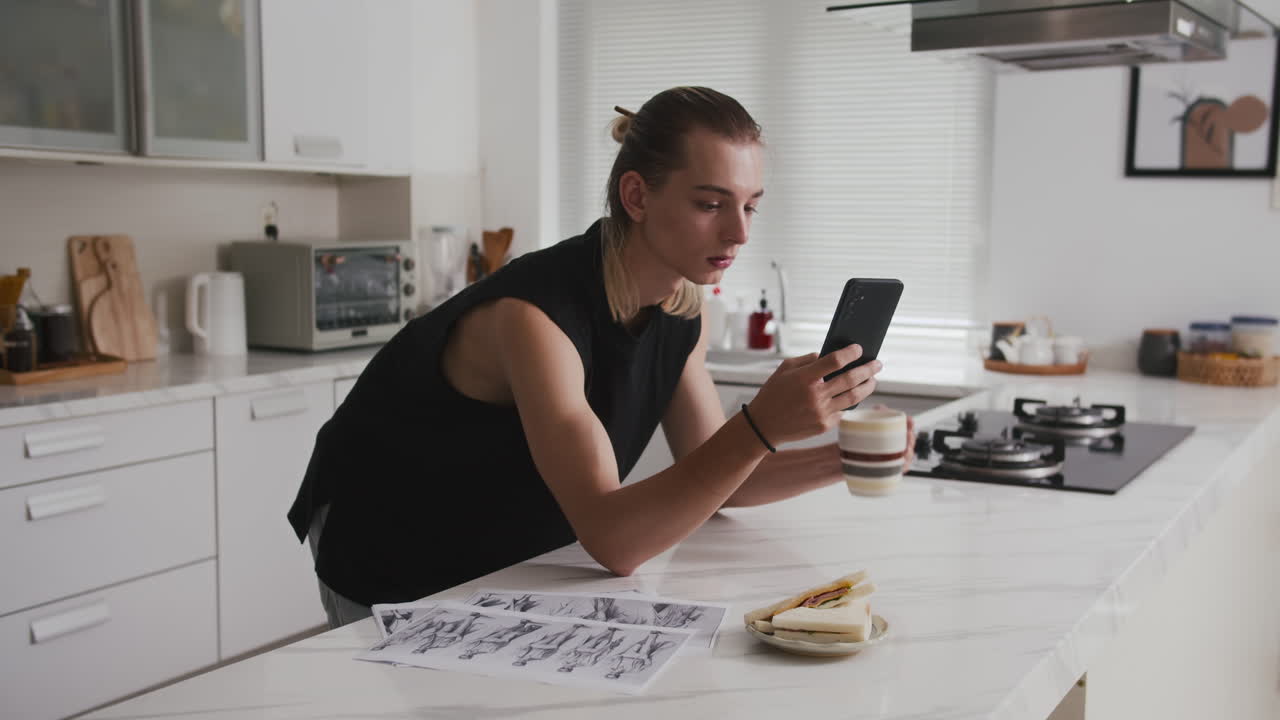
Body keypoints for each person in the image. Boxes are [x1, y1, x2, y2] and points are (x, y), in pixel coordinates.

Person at [287, 86, 912, 630]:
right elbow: (615, 542)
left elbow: (722, 478)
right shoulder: (535, 316)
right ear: (636, 196)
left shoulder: (681, 312)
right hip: (390, 539)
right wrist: (761, 426)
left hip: (498, 555)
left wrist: (849, 458)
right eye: (710, 204)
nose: (739, 233)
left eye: (749, 205)